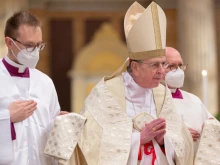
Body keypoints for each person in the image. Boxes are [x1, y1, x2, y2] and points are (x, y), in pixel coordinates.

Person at [44, 2, 194, 165]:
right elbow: (91, 144)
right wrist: (139, 139)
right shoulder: (107, 92)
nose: (161, 71)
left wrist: (164, 141)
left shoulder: (162, 94)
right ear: (135, 66)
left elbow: (182, 143)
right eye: (154, 65)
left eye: (163, 64)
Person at [0, 11, 62, 165]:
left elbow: (48, 134)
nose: (35, 51)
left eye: (39, 45)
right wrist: (7, 117)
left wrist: (60, 124)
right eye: (29, 45)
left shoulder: (45, 82)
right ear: (9, 42)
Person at [164, 47, 214, 155]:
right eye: (171, 66)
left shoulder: (194, 100)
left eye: (180, 66)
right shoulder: (148, 99)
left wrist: (209, 127)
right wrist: (178, 136)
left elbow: (213, 127)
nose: (178, 71)